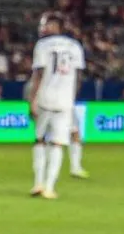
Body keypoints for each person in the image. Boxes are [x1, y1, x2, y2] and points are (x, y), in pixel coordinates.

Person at [28, 13, 86, 200]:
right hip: (65, 101)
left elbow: (38, 73)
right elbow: (78, 77)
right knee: (58, 143)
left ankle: (38, 182)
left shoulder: (42, 45)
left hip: (45, 97)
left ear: (56, 26)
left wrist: (32, 99)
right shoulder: (75, 46)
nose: (45, 28)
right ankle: (49, 187)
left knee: (40, 140)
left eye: (48, 25)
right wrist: (72, 97)